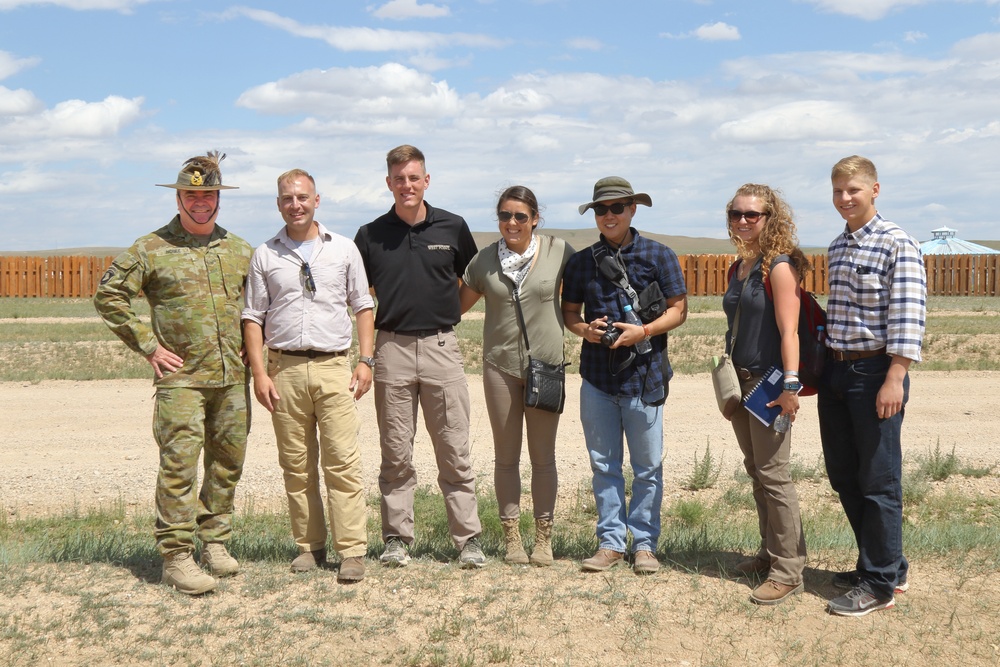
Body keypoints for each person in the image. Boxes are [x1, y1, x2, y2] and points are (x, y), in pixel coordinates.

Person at [94, 151, 252, 595]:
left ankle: (215, 543)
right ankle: (177, 557)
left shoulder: (239, 249)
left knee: (227, 464)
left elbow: (258, 309)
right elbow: (109, 296)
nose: (199, 201)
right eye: (191, 194)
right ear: (178, 196)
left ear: (219, 197)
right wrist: (148, 345)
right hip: (182, 380)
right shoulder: (151, 248)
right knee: (179, 466)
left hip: (231, 379)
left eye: (208, 194)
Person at [353, 145, 485, 569]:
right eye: (398, 178)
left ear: (426, 180)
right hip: (390, 348)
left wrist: (448, 314)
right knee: (395, 451)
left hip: (441, 347)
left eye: (414, 178)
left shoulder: (453, 226)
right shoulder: (371, 235)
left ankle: (468, 541)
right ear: (388, 182)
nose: (406, 185)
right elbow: (360, 297)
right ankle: (395, 538)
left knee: (453, 447)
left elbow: (474, 281)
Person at [242, 169, 374, 583]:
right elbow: (252, 316)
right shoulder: (266, 255)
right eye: (287, 198)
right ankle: (309, 547)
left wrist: (366, 359)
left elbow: (363, 306)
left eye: (302, 197)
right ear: (278, 204)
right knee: (296, 466)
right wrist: (260, 372)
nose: (295, 204)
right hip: (284, 369)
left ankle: (351, 550)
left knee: (342, 462)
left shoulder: (344, 250)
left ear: (317, 200)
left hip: (335, 366)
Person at [562, 176, 688, 575]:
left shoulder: (659, 255)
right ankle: (611, 543)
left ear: (633, 209)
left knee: (648, 467)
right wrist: (586, 331)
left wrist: (643, 331)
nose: (609, 215)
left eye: (617, 207)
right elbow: (569, 313)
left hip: (645, 378)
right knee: (604, 465)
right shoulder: (582, 261)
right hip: (598, 378)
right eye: (602, 209)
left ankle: (645, 545)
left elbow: (679, 310)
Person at [820, 156, 926, 617]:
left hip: (876, 373)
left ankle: (879, 585)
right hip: (836, 371)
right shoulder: (838, 247)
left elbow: (907, 317)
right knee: (844, 474)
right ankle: (883, 565)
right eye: (839, 190)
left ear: (875, 190)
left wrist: (895, 378)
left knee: (879, 481)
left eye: (854, 190)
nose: (845, 198)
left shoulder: (897, 244)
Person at [460, 186, 574, 566]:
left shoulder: (559, 252)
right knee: (506, 457)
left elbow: (582, 294)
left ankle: (543, 539)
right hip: (500, 366)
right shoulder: (484, 262)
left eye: (520, 216)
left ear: (535, 218)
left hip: (547, 366)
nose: (512, 223)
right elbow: (454, 306)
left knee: (544, 458)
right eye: (505, 216)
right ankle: (512, 540)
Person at [722, 184, 809, 605]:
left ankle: (789, 570)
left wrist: (791, 386)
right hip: (742, 382)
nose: (742, 221)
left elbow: (790, 331)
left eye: (752, 215)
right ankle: (768, 552)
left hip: (770, 383)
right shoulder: (741, 266)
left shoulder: (778, 266)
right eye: (736, 213)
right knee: (757, 470)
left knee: (775, 476)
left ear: (770, 218)